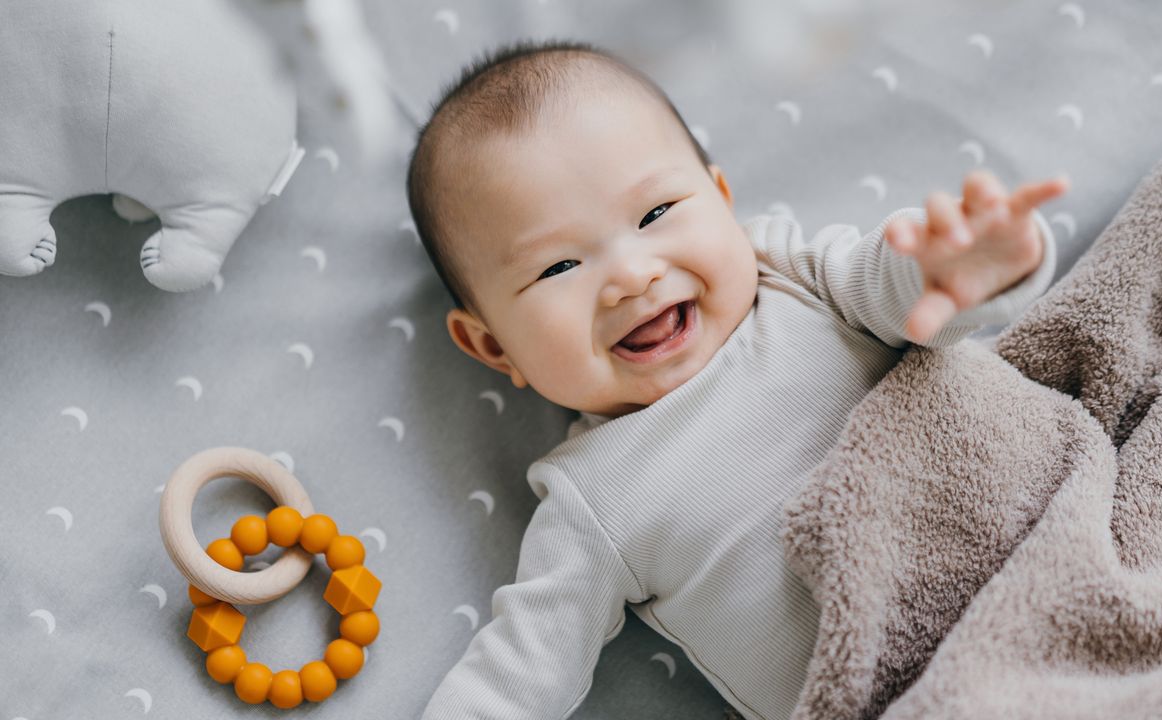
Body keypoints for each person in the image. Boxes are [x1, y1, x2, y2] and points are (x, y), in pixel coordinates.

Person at [407, 37, 1066, 720]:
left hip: (1056, 548)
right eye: (558, 268)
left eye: (655, 215)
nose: (633, 275)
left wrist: (965, 269)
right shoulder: (593, 496)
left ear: (721, 200)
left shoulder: (794, 277)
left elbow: (896, 284)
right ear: (491, 347)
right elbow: (516, 672)